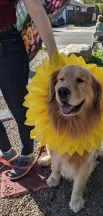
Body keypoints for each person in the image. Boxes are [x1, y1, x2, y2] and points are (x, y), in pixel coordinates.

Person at [0, 0, 57, 180]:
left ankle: (27, 151)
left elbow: (36, 9)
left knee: (18, 106)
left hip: (7, 42)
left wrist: (54, 57)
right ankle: (7, 151)